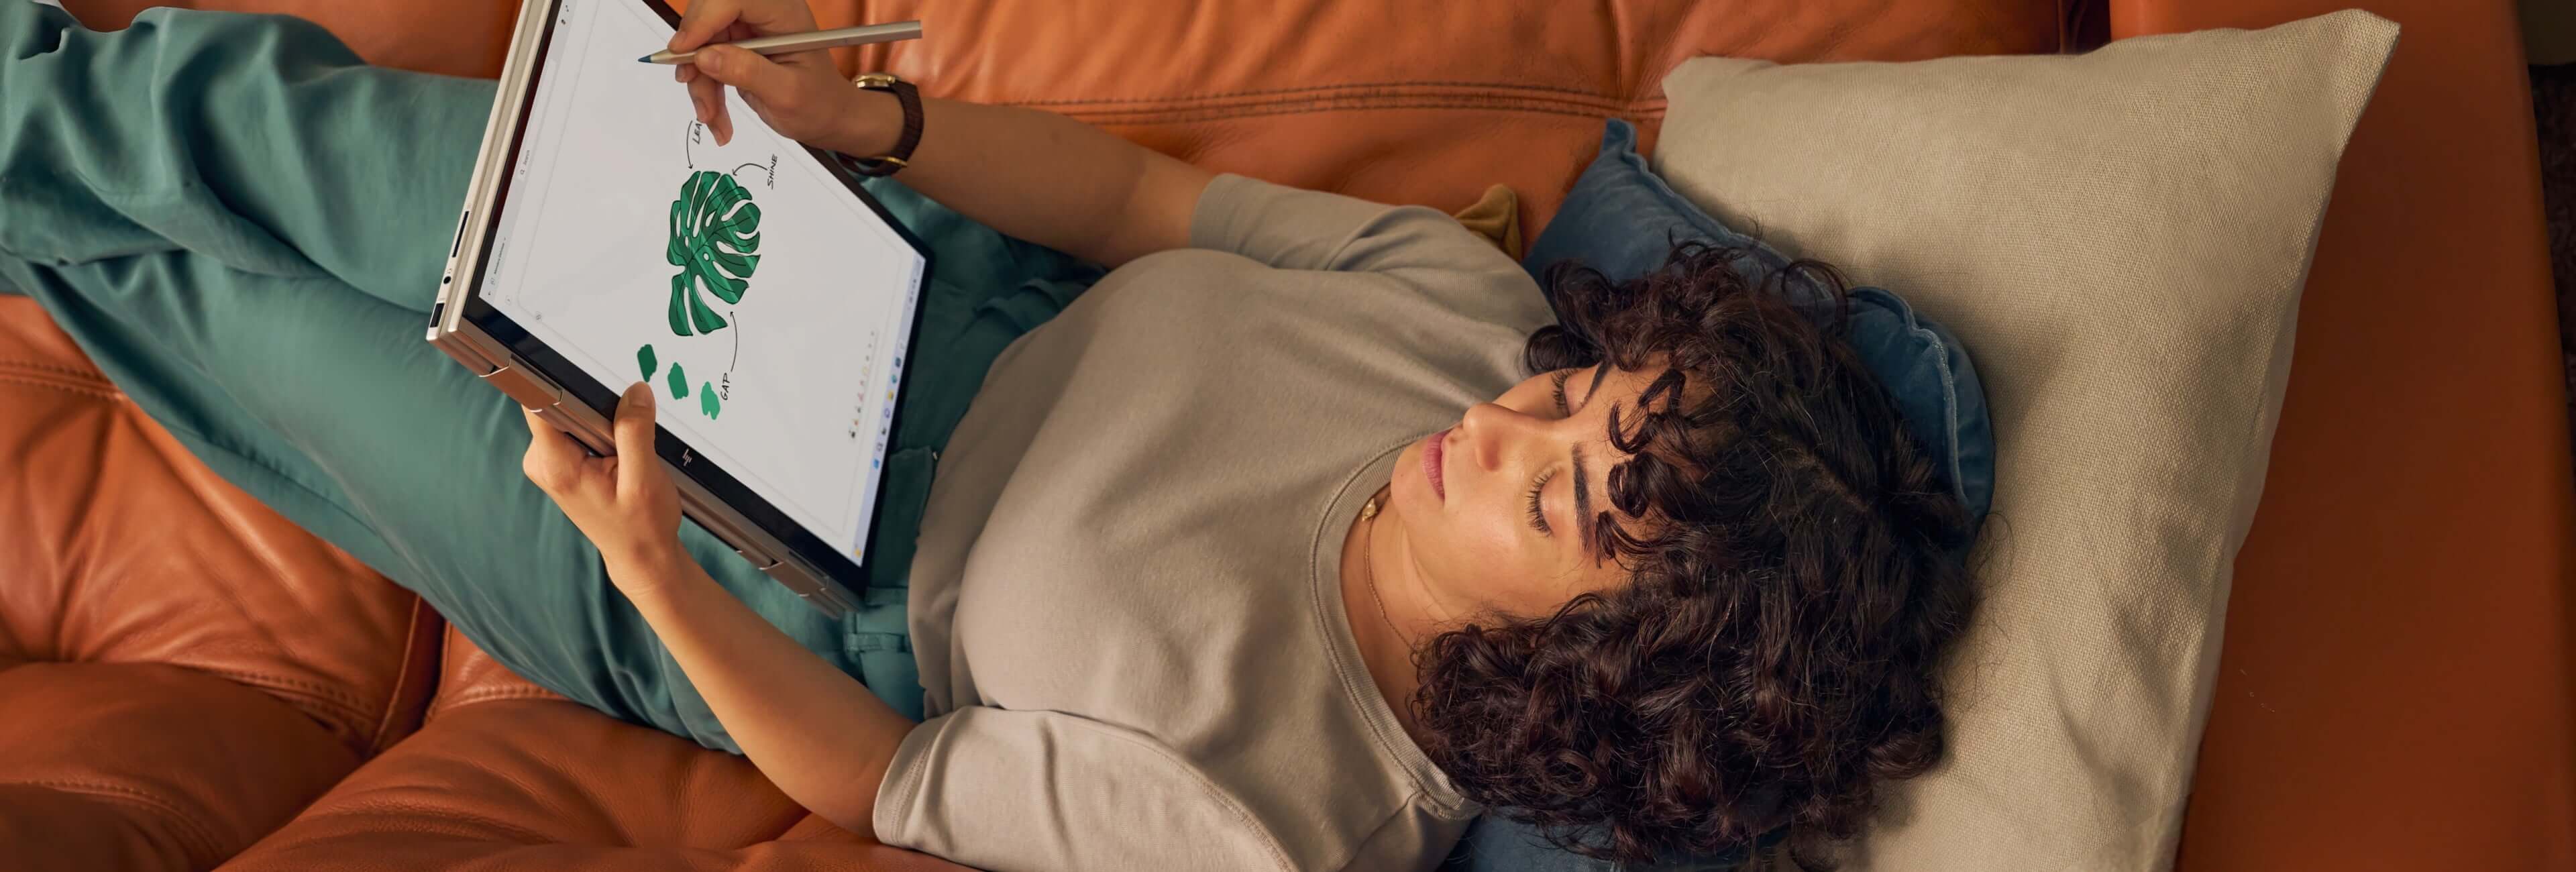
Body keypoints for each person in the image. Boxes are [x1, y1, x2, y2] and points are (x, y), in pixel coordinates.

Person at [0, 0, 1978, 867]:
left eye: (1559, 500)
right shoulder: (1464, 315)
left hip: (762, 579)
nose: (1506, 423)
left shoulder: (1278, 825)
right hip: (893, 286)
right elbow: (1134, 204)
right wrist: (872, 129)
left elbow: (889, 777)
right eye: (1573, 397)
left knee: (201, 316)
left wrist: (649, 572)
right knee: (267, 132)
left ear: (1591, 670)